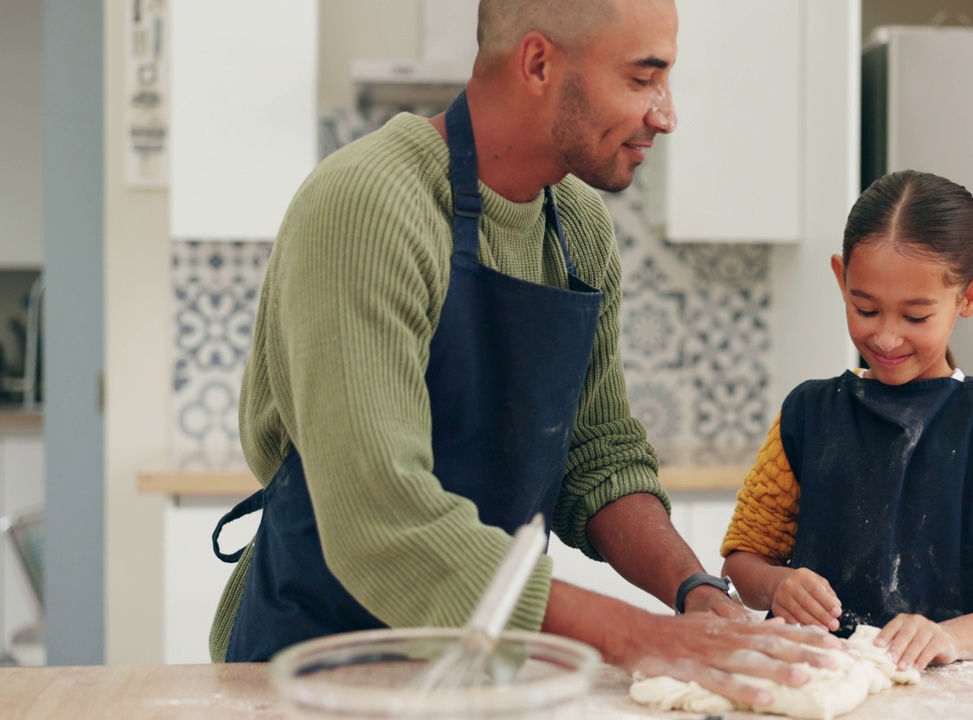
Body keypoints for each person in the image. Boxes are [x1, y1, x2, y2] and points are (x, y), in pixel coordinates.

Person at [207, 0, 839, 706]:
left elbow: (596, 453)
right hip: (318, 668)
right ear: (538, 63)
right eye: (643, 78)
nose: (665, 114)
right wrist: (638, 637)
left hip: (482, 665)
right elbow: (383, 523)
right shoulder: (369, 204)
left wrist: (695, 593)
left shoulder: (576, 227)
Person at [720, 169, 973, 673]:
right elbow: (744, 559)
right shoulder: (807, 413)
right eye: (865, 309)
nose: (886, 338)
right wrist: (777, 585)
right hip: (819, 684)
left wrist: (948, 637)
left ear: (970, 297)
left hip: (953, 696)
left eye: (915, 317)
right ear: (842, 279)